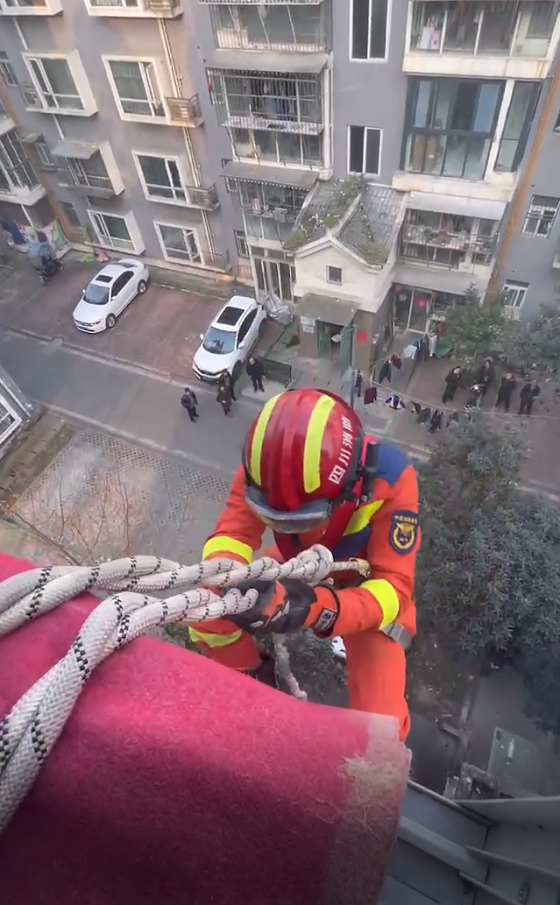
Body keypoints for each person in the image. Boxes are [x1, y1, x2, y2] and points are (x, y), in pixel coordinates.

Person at [188, 388, 420, 742]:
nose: (285, 528)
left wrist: (318, 608)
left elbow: (394, 590)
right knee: (206, 615)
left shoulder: (394, 480)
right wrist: (231, 581)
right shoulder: (264, 469)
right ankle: (249, 681)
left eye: (301, 520)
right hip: (295, 568)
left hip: (365, 591)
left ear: (354, 484)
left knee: (382, 727)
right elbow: (232, 534)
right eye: (274, 519)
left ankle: (376, 764)